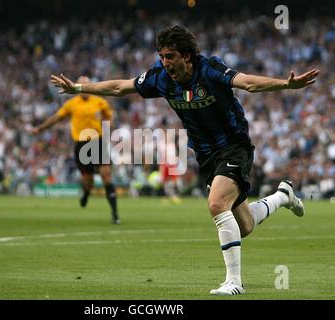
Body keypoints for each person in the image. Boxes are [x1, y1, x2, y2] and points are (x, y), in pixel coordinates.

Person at [50, 25, 319, 295]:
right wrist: (79, 87)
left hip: (234, 146)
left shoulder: (209, 69)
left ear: (187, 56)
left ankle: (234, 282)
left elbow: (247, 82)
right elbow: (121, 87)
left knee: (216, 204)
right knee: (243, 225)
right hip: (205, 155)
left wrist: (286, 84)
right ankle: (283, 196)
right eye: (162, 56)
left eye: (170, 56)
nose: (165, 62)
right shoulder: (160, 78)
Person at [30, 76, 121, 225]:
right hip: (81, 145)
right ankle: (86, 193)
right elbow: (56, 118)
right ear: (77, 86)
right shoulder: (71, 104)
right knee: (89, 182)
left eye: (87, 84)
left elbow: (109, 117)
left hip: (97, 142)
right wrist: (40, 129)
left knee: (106, 176)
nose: (84, 87)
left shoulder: (100, 102)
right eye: (82, 84)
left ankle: (115, 214)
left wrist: (107, 128)